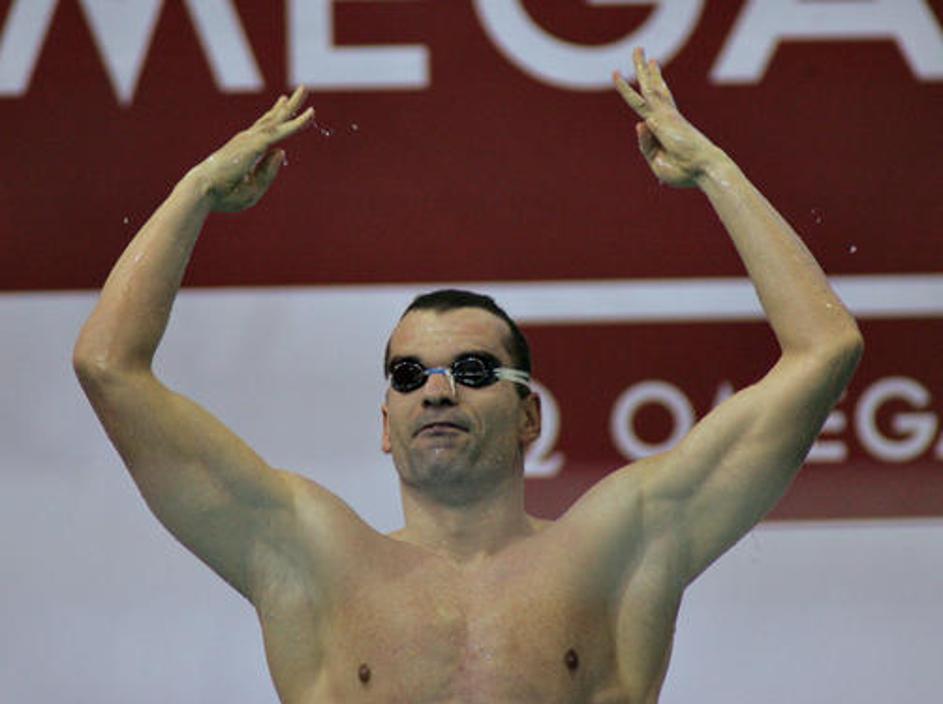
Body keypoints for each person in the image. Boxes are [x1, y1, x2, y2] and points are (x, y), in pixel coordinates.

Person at [73, 48, 863, 703]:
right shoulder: (308, 556)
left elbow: (823, 350)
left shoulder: (620, 545)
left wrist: (715, 170)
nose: (437, 390)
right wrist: (195, 192)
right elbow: (107, 367)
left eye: (473, 370)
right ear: (385, 425)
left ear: (529, 416)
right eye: (407, 375)